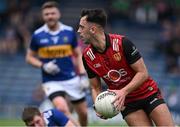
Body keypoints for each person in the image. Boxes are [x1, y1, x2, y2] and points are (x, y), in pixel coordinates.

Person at [77, 8, 175, 126]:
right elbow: (95, 87)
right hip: (126, 103)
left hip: (148, 93)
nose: (78, 31)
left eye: (82, 27)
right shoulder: (87, 56)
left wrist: (123, 91)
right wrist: (98, 105)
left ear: (92, 29)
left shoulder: (122, 43)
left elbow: (143, 73)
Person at [26, 1, 88, 126]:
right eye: (46, 14)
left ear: (58, 14)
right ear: (43, 16)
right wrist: (43, 65)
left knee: (83, 113)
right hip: (51, 81)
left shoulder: (69, 31)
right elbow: (29, 57)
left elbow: (78, 54)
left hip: (71, 78)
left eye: (52, 13)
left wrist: (82, 75)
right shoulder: (38, 35)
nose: (50, 16)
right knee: (62, 109)